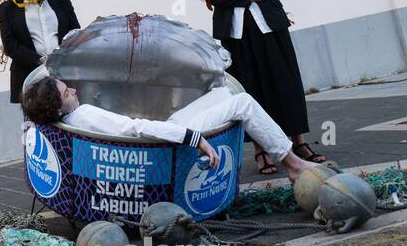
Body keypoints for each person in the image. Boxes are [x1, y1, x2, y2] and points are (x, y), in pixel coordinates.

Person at [19, 76, 322, 183]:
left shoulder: (68, 119)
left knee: (223, 94)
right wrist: (195, 139)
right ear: (59, 106)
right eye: (67, 92)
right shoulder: (83, 114)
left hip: (167, 130)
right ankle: (292, 163)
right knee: (242, 102)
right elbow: (136, 128)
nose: (73, 89)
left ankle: (286, 156)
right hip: (167, 138)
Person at [202, 0, 327, 174]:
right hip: (237, 33)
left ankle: (297, 142)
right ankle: (261, 149)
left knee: (285, 82)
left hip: (270, 26)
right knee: (250, 89)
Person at [0, 0, 80, 103]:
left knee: (70, 115)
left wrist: (63, 58)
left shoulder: (62, 0)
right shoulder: (8, 8)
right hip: (31, 74)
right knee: (39, 117)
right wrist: (41, 61)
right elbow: (10, 45)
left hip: (65, 72)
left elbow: (75, 33)